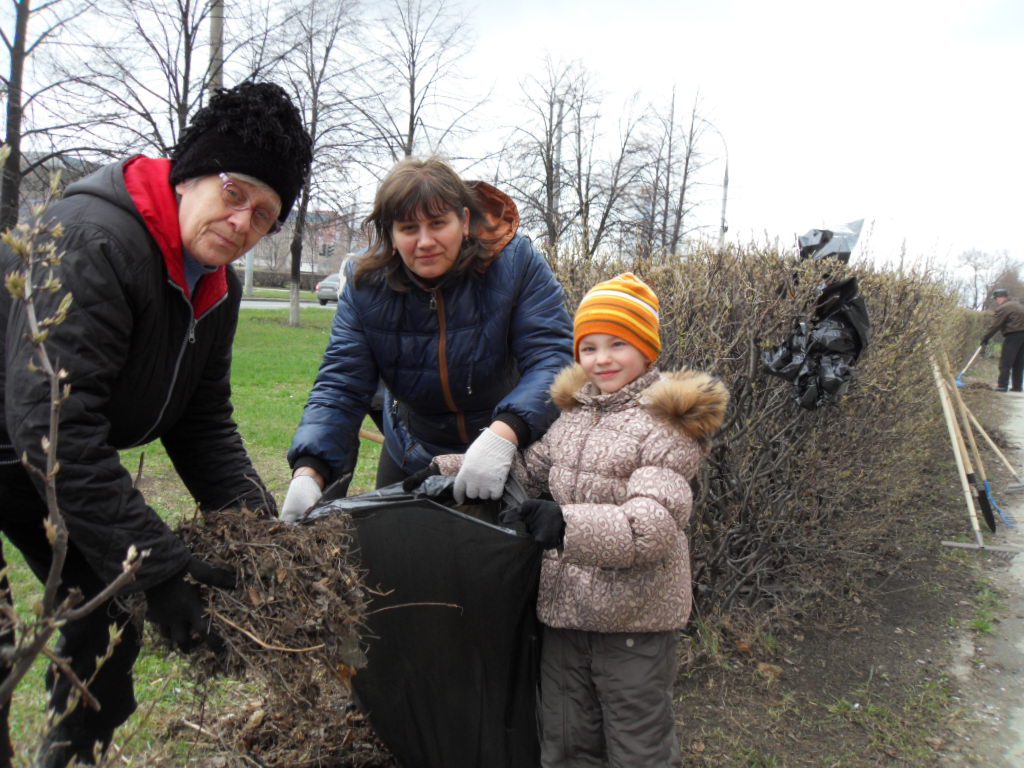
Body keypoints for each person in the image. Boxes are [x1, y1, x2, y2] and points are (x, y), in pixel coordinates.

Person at [0, 81, 313, 767]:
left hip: (43, 456)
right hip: (25, 444)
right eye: (234, 192)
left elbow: (201, 425)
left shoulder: (213, 284)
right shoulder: (95, 241)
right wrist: (161, 567)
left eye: (264, 214)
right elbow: (57, 427)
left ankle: (74, 753)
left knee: (110, 607)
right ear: (191, 172)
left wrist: (263, 542)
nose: (242, 222)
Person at [429, 273, 729, 767]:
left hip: (634, 621)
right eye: (588, 347)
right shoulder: (574, 416)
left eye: (618, 344)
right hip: (565, 615)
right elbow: (526, 469)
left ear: (647, 351)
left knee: (638, 747)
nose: (601, 358)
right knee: (567, 742)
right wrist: (448, 471)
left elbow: (650, 525)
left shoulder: (668, 428)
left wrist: (566, 524)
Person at [282, 155, 574, 520]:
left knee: (502, 571)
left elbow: (552, 358)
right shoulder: (365, 285)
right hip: (415, 451)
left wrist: (505, 433)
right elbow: (341, 385)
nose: (425, 242)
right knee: (398, 569)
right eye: (408, 228)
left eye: (438, 224)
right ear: (390, 232)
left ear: (464, 221)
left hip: (508, 450)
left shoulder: (516, 263)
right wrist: (311, 470)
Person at [982, 287, 1024, 392]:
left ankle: (1002, 386)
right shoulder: (1018, 305)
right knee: (1018, 362)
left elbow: (995, 325)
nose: (996, 301)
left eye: (996, 298)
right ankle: (1017, 386)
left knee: (1006, 361)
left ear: (1001, 298)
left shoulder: (1004, 308)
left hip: (1013, 335)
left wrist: (986, 337)